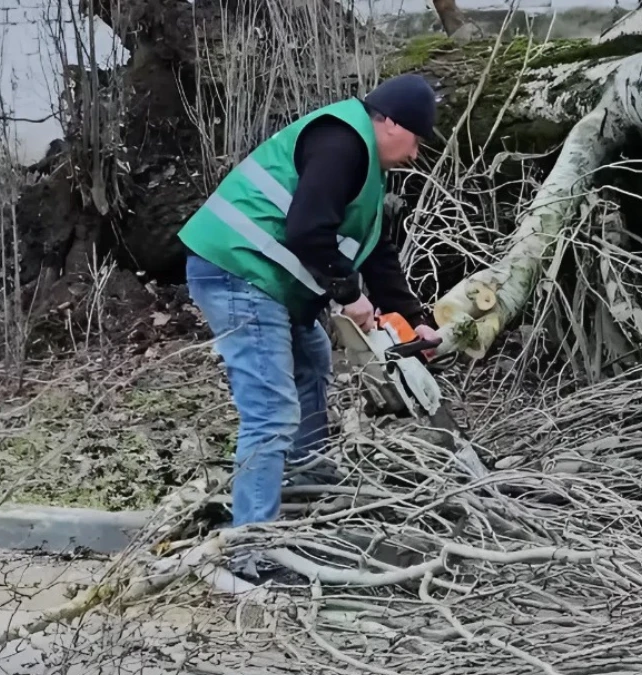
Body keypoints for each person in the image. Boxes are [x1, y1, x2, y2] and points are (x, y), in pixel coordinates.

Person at [176, 73, 443, 582]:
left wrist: (417, 322)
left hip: (266, 281)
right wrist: (350, 296)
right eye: (416, 140)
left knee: (314, 363)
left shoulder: (364, 165)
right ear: (390, 122)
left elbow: (376, 253)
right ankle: (249, 553)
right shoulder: (341, 142)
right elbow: (306, 230)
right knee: (271, 412)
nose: (415, 154)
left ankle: (307, 497)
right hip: (238, 269)